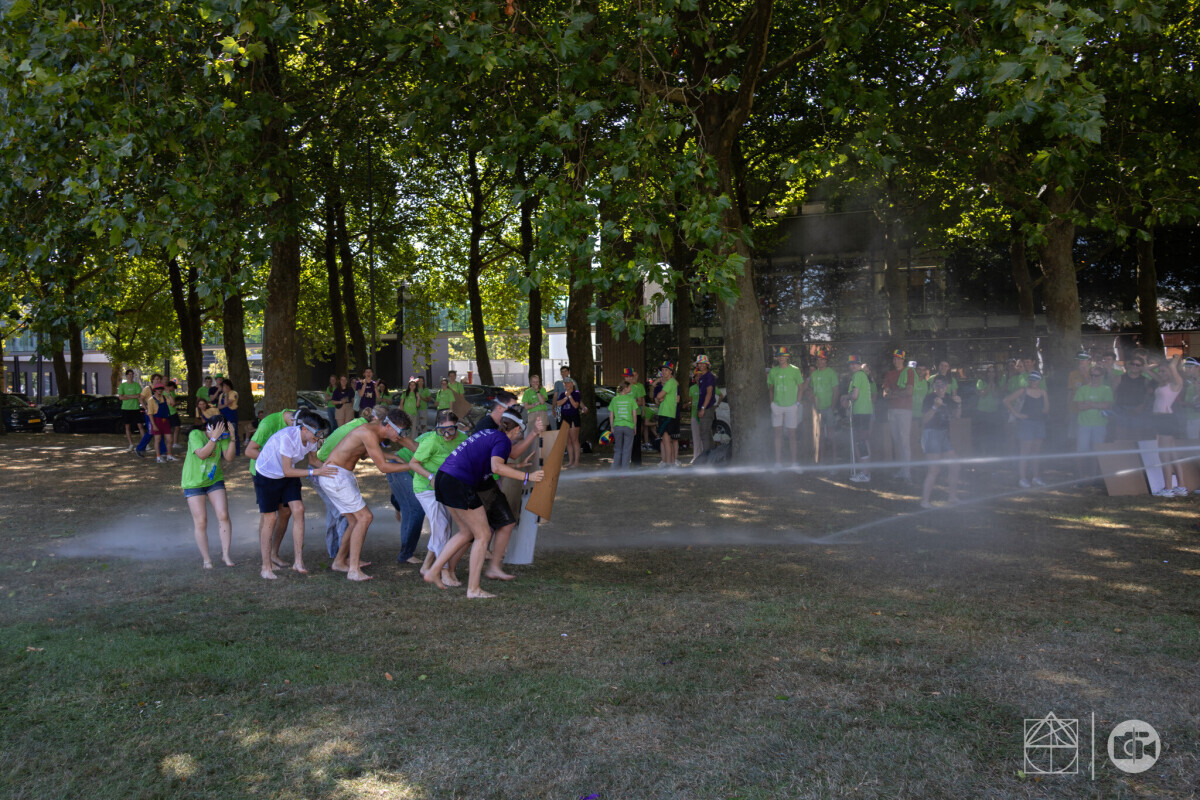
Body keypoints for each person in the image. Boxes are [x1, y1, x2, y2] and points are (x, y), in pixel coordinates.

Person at [423, 412, 545, 598]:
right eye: (520, 433)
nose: (519, 436)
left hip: (443, 479)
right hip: (459, 482)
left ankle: (434, 570)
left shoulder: (490, 434)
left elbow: (512, 454)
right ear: (516, 430)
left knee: (466, 532)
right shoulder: (502, 440)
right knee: (483, 535)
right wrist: (528, 476)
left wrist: (534, 434)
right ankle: (473, 589)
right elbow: (497, 467)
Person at [320, 408, 414, 581]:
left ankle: (339, 561)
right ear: (389, 426)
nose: (401, 436)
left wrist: (394, 455)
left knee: (354, 521)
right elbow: (383, 467)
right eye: (400, 432)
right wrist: (412, 466)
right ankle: (353, 570)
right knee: (365, 518)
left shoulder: (376, 430)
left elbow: (363, 453)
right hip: (335, 475)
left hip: (340, 475)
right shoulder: (368, 432)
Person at [253, 409, 334, 580]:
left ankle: (298, 562)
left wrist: (332, 469)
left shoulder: (311, 439)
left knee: (299, 509)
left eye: (321, 433)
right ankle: (266, 567)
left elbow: (313, 461)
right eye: (317, 433)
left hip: (287, 475)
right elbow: (287, 470)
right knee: (270, 518)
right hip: (267, 475)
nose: (319, 437)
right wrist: (314, 472)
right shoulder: (287, 438)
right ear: (304, 429)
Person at [413, 410, 469, 585]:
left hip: (446, 488)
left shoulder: (463, 439)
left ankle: (426, 566)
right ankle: (443, 571)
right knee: (441, 526)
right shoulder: (431, 441)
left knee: (443, 528)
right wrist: (431, 477)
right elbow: (413, 464)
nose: (446, 434)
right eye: (441, 430)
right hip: (426, 489)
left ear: (457, 427)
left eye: (450, 429)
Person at [181, 414, 236, 569]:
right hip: (193, 482)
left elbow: (229, 457)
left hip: (214, 480)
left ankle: (226, 555)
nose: (222, 436)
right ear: (208, 427)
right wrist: (213, 438)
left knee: (223, 515)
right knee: (201, 521)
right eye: (220, 432)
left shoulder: (222, 436)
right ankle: (207, 560)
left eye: (223, 432)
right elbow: (202, 454)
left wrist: (232, 438)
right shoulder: (195, 434)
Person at [310, 411, 364, 560]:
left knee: (336, 512)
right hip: (324, 471)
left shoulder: (356, 424)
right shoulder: (361, 429)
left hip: (324, 469)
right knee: (343, 514)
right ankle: (342, 556)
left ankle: (335, 552)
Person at [1147, 355, 1188, 497]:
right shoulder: (1162, 382)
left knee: (1164, 455)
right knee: (1172, 453)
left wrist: (1175, 358)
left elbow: (1172, 366)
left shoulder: (1176, 383)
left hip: (1166, 419)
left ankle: (1168, 488)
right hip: (1159, 419)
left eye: (1164, 371)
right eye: (1160, 371)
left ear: (1172, 371)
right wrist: (1159, 364)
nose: (1161, 373)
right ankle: (1181, 487)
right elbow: (1146, 369)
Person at [919, 377, 961, 508]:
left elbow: (957, 416)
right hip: (931, 434)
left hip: (943, 435)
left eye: (942, 385)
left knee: (955, 465)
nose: (940, 388)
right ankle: (925, 502)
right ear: (934, 387)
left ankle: (952, 497)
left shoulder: (948, 398)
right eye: (937, 385)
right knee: (934, 470)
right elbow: (924, 420)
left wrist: (959, 404)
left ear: (947, 386)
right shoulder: (929, 398)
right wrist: (935, 407)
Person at [1005, 370, 1048, 488]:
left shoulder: (1043, 392)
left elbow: (1046, 409)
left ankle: (1036, 477)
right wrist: (1016, 414)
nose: (1033, 382)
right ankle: (1022, 478)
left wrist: (1041, 412)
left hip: (1039, 423)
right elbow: (1006, 400)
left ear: (1040, 381)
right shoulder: (1022, 390)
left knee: (1036, 452)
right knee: (1025, 452)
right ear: (1029, 380)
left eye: (1036, 379)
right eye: (1031, 379)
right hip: (1026, 423)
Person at [1073, 364, 1113, 479]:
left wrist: (1090, 404)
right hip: (1084, 424)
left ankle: (1093, 476)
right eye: (1091, 375)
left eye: (1096, 375)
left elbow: (1107, 405)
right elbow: (1080, 406)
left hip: (1100, 424)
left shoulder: (1106, 389)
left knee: (1097, 451)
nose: (1093, 377)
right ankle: (1081, 476)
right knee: (1081, 451)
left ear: (1102, 376)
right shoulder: (1082, 389)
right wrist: (1098, 405)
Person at [881, 349, 916, 482]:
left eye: (899, 358)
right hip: (892, 410)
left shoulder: (909, 372)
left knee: (904, 440)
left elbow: (909, 392)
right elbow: (885, 394)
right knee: (897, 441)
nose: (896, 361)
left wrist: (893, 394)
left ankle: (907, 472)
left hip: (905, 410)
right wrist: (898, 393)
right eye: (894, 358)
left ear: (903, 359)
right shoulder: (890, 374)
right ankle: (902, 470)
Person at [845, 355, 873, 482]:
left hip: (861, 411)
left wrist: (845, 397)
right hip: (863, 411)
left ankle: (865, 473)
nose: (852, 366)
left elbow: (855, 395)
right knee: (863, 440)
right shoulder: (861, 375)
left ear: (859, 364)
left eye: (855, 363)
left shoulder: (858, 375)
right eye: (850, 364)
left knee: (862, 441)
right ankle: (865, 471)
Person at [806, 351, 838, 462]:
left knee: (831, 436)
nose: (819, 362)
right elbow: (811, 389)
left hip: (828, 408)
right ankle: (822, 460)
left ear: (826, 361)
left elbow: (836, 391)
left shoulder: (831, 373)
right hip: (818, 410)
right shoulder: (814, 374)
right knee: (820, 437)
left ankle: (834, 460)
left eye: (822, 359)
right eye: (818, 360)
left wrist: (832, 407)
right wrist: (811, 398)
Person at [1112, 355, 1152, 441]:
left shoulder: (1146, 380)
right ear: (1129, 365)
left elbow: (1148, 396)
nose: (1135, 366)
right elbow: (1113, 393)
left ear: (1142, 367)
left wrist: (1142, 406)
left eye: (1138, 365)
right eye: (1133, 364)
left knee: (1137, 436)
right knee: (1121, 435)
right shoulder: (1120, 378)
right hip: (1121, 409)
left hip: (1138, 410)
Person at [655, 363, 680, 467]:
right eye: (662, 370)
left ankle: (669, 464)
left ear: (671, 371)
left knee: (666, 441)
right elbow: (658, 399)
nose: (664, 372)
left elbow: (659, 396)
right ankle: (669, 463)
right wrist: (660, 398)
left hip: (667, 414)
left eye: (666, 370)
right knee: (666, 440)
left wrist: (660, 397)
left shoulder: (670, 382)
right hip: (666, 413)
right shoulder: (671, 383)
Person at [609, 380, 638, 470]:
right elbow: (634, 415)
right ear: (625, 388)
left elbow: (611, 415)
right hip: (629, 427)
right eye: (629, 387)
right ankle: (624, 471)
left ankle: (614, 470)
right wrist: (635, 426)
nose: (630, 389)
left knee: (618, 449)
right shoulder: (631, 399)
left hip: (617, 426)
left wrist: (612, 427)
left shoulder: (614, 399)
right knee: (627, 450)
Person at [146, 384, 177, 464]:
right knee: (158, 439)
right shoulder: (151, 400)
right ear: (155, 390)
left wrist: (169, 394)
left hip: (165, 420)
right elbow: (150, 414)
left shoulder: (165, 397)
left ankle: (169, 455)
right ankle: (158, 457)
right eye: (158, 389)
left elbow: (173, 403)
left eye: (161, 389)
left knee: (170, 439)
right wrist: (154, 425)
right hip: (156, 420)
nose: (160, 390)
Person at [694, 354, 718, 459]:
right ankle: (711, 455)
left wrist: (703, 408)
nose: (701, 365)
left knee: (704, 432)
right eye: (699, 363)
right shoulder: (702, 377)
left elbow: (709, 393)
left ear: (707, 365)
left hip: (707, 408)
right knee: (706, 432)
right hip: (703, 408)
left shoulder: (709, 376)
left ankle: (706, 456)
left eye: (703, 363)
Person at [557, 376, 582, 468]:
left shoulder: (576, 393)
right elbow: (558, 403)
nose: (567, 384)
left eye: (568, 382)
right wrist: (565, 397)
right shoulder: (562, 394)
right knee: (568, 441)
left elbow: (575, 405)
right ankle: (570, 461)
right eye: (565, 383)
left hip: (573, 417)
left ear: (572, 384)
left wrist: (570, 396)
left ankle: (576, 462)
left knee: (574, 439)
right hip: (565, 418)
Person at [118, 369, 145, 451]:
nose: (131, 376)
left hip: (135, 408)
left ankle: (145, 443)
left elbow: (138, 395)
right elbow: (120, 397)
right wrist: (132, 396)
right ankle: (131, 444)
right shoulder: (122, 385)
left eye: (132, 374)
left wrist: (127, 396)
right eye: (129, 374)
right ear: (126, 375)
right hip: (125, 408)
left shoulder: (136, 385)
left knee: (140, 426)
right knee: (127, 427)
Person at [625, 367, 646, 465]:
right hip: (624, 416)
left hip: (635, 415)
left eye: (631, 376)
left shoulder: (637, 387)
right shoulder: (621, 387)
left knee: (636, 438)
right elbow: (618, 400)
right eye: (627, 376)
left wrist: (643, 410)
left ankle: (637, 461)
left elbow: (640, 402)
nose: (630, 378)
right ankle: (625, 461)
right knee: (626, 438)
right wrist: (633, 401)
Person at [216, 378, 241, 455]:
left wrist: (226, 395)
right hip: (223, 415)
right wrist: (225, 405)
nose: (224, 388)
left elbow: (227, 403)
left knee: (233, 432)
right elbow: (219, 406)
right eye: (223, 386)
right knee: (223, 432)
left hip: (231, 414)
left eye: (226, 386)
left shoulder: (234, 393)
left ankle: (236, 451)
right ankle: (224, 451)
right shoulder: (221, 395)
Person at [1183, 356, 1200, 441]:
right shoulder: (1191, 381)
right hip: (1190, 417)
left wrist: (1184, 404)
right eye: (1185, 366)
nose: (1186, 369)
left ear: (1198, 367)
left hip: (1196, 418)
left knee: (1194, 443)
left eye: (1190, 367)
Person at [166, 379, 183, 451]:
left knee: (177, 427)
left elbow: (175, 401)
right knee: (172, 428)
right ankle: (172, 443)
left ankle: (175, 442)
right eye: (173, 388)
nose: (173, 389)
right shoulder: (165, 393)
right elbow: (172, 403)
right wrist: (176, 403)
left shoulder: (172, 392)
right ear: (170, 387)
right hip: (169, 413)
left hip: (173, 412)